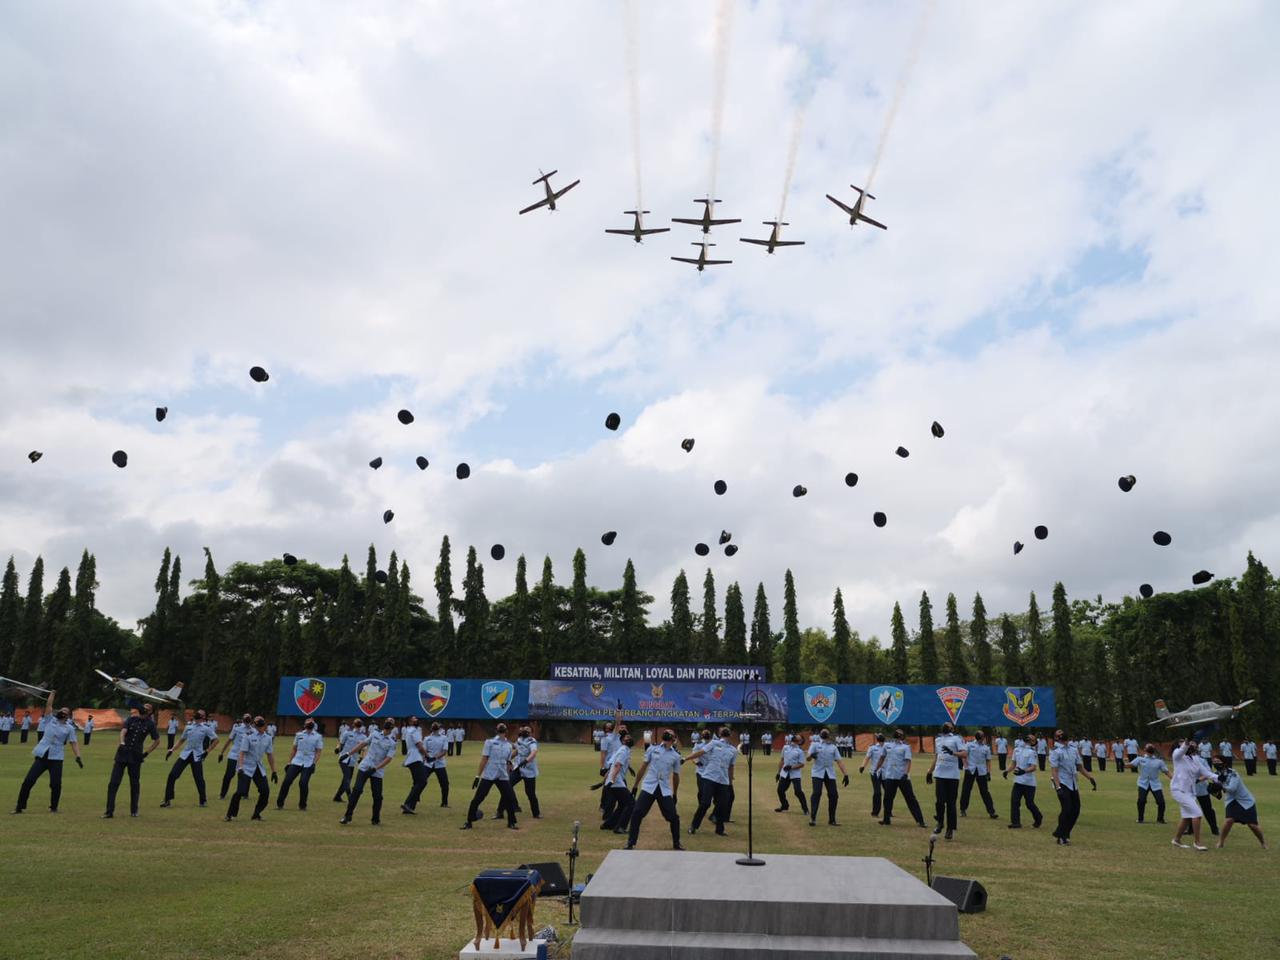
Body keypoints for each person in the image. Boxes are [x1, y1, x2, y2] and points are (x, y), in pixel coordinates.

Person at [13, 693, 82, 814]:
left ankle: (53, 807)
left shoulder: (69, 728)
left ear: (68, 716)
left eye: (65, 711)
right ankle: (19, 807)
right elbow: (49, 705)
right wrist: (52, 693)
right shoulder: (50, 719)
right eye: (61, 710)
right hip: (42, 756)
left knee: (56, 784)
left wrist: (78, 756)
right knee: (29, 781)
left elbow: (73, 742)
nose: (62, 712)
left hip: (56, 758)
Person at [625, 728, 684, 850]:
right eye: (667, 734)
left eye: (670, 735)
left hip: (664, 789)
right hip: (649, 786)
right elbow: (643, 767)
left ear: (674, 739)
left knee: (673, 817)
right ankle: (631, 842)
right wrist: (635, 785)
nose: (668, 736)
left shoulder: (676, 756)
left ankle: (677, 843)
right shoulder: (653, 749)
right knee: (637, 813)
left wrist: (675, 793)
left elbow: (676, 775)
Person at [103, 703, 161, 818]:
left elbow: (157, 741)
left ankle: (134, 810)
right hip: (122, 754)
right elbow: (123, 731)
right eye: (144, 707)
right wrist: (122, 742)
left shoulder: (150, 724)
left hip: (136, 756)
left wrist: (146, 753)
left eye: (147, 708)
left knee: (134, 784)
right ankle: (109, 811)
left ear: (150, 712)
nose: (144, 709)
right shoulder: (131, 719)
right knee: (113, 782)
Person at [460, 723, 519, 831]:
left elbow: (508, 761)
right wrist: (478, 776)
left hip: (502, 775)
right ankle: (469, 821)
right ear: (496, 730)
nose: (501, 729)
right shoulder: (489, 742)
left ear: (506, 731)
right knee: (478, 798)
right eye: (500, 727)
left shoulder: (508, 745)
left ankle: (511, 822)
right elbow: (484, 759)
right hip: (489, 774)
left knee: (509, 798)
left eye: (503, 728)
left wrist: (508, 773)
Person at [339, 718, 396, 825]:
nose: (387, 725)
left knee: (377, 796)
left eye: (390, 724)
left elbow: (388, 759)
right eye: (387, 723)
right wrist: (348, 754)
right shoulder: (375, 734)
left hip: (377, 770)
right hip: (365, 766)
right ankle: (347, 816)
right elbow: (362, 744)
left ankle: (375, 819)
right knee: (356, 790)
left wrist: (375, 769)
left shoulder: (392, 742)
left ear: (392, 728)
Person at [224, 715, 278, 822]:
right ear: (255, 726)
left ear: (265, 725)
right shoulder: (248, 736)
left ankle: (256, 814)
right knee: (240, 791)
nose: (261, 728)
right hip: (246, 766)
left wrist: (274, 771)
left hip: (258, 767)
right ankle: (230, 814)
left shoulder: (268, 738)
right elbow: (242, 753)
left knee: (265, 791)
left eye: (262, 725)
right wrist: (240, 767)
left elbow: (270, 755)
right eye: (259, 725)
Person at [161, 709, 219, 808]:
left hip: (197, 755)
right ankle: (167, 800)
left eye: (200, 714)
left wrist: (207, 752)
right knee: (172, 775)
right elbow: (181, 740)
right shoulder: (188, 727)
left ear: (203, 717)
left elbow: (216, 740)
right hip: (185, 754)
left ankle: (203, 801)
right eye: (197, 713)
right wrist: (172, 750)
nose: (197, 714)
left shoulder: (206, 728)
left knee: (199, 778)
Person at [1049, 729, 1096, 846]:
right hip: (1062, 783)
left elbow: (1080, 767)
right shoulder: (1055, 751)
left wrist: (1090, 778)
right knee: (1067, 809)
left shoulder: (1073, 749)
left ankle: (1063, 833)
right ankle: (1061, 836)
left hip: (1073, 783)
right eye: (1060, 735)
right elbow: (1054, 771)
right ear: (1057, 739)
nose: (1064, 738)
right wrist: (1058, 787)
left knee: (1076, 810)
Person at [684, 726, 734, 836]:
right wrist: (686, 758)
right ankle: (693, 826)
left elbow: (731, 767)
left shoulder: (733, 750)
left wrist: (730, 783)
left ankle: (719, 829)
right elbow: (700, 752)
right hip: (710, 777)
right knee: (705, 803)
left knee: (722, 805)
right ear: (720, 735)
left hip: (723, 780)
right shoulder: (714, 743)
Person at [875, 728, 928, 828]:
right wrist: (876, 769)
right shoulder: (887, 745)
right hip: (890, 776)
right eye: (897, 732)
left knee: (911, 799)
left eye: (900, 733)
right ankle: (886, 819)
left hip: (902, 777)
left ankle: (920, 821)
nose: (898, 734)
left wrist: (906, 774)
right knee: (887, 799)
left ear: (903, 736)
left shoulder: (906, 747)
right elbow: (882, 757)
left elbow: (908, 761)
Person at [1170, 737, 1214, 850]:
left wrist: (1219, 778)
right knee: (1197, 814)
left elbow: (1206, 772)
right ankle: (1197, 843)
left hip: (1190, 791)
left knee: (1186, 817)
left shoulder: (1195, 758)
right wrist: (1186, 742)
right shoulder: (1177, 755)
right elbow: (1182, 749)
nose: (1191, 745)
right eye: (1186, 744)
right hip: (1179, 790)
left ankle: (1176, 840)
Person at [1212, 760, 1267, 849]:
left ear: (1224, 762)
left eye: (1218, 761)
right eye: (1214, 762)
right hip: (1231, 800)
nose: (1216, 763)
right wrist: (1214, 791)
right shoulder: (1216, 775)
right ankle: (1221, 842)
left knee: (1252, 825)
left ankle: (1263, 843)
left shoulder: (1233, 773)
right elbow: (1218, 790)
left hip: (1245, 800)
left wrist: (1221, 787)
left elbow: (1232, 789)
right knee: (1229, 820)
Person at [927, 723, 966, 840]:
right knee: (939, 801)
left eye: (948, 725)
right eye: (944, 725)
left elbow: (964, 754)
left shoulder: (957, 739)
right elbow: (936, 757)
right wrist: (929, 772)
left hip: (952, 775)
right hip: (939, 774)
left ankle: (950, 829)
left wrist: (952, 752)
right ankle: (940, 822)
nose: (945, 726)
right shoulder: (938, 740)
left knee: (951, 803)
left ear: (952, 729)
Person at [276, 717, 323, 810]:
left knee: (303, 783)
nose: (309, 724)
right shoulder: (299, 735)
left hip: (308, 762)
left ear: (314, 725)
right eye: (308, 723)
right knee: (287, 781)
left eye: (311, 723)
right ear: (304, 725)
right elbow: (294, 749)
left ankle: (302, 805)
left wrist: (314, 763)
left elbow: (318, 752)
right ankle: (280, 804)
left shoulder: (318, 737)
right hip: (297, 761)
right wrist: (289, 762)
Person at [807, 729, 850, 827]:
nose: (824, 733)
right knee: (816, 793)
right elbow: (807, 758)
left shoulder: (833, 747)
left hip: (829, 773)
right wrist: (811, 756)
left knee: (834, 795)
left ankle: (832, 819)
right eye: (823, 732)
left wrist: (846, 774)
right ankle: (813, 818)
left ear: (828, 735)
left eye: (826, 732)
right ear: (820, 734)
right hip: (817, 773)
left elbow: (839, 761)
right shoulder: (815, 745)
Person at [501, 726, 541, 820]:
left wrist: (526, 761)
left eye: (528, 730)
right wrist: (508, 759)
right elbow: (517, 751)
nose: (525, 730)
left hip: (529, 770)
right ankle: (512, 807)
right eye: (524, 729)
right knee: (507, 786)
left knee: (530, 793)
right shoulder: (519, 739)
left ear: (531, 733)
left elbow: (533, 753)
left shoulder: (532, 741)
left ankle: (536, 813)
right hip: (518, 769)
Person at [599, 733, 635, 833]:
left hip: (614, 781)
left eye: (630, 737)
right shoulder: (623, 750)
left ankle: (608, 824)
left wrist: (606, 780)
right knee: (631, 803)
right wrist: (612, 779)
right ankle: (620, 827)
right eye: (627, 738)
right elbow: (617, 765)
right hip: (616, 782)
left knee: (622, 804)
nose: (629, 739)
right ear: (622, 741)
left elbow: (612, 765)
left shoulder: (623, 750)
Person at [1006, 733, 1043, 829]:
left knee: (1029, 803)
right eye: (1028, 737)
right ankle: (1016, 823)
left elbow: (1033, 767)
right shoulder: (1016, 750)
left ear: (1033, 742)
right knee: (1014, 801)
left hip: (1029, 782)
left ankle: (1038, 817)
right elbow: (1013, 764)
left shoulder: (1032, 752)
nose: (1028, 738)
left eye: (1031, 738)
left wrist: (1023, 771)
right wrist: (1007, 771)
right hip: (1018, 781)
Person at [959, 731, 998, 820]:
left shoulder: (986, 748)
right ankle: (963, 809)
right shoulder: (969, 745)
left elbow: (988, 761)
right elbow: (964, 757)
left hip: (982, 771)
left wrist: (988, 772)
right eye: (981, 737)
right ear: (979, 738)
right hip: (970, 770)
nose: (982, 738)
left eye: (983, 736)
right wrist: (966, 767)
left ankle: (991, 812)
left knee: (985, 792)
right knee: (966, 790)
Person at [1128, 743, 1169, 825]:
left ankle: (1160, 819)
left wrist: (1174, 779)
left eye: (1151, 747)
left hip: (1155, 784)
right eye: (1148, 747)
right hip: (1143, 783)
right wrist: (1123, 764)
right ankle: (1140, 819)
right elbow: (1131, 765)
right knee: (1141, 801)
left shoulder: (1159, 762)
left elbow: (1166, 772)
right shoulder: (1140, 759)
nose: (1149, 748)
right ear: (1145, 750)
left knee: (1161, 802)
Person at [398, 717, 429, 815]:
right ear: (410, 721)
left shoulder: (408, 730)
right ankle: (407, 803)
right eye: (414, 719)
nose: (416, 719)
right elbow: (419, 745)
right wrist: (427, 755)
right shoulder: (414, 731)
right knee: (422, 781)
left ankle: (410, 806)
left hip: (411, 758)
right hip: (415, 758)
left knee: (417, 782)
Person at [218, 714, 251, 800]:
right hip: (234, 755)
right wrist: (221, 753)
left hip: (245, 756)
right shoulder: (237, 728)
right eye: (246, 719)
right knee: (229, 774)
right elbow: (229, 740)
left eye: (248, 719)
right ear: (243, 720)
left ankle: (245, 793)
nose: (247, 721)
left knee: (245, 775)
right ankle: (222, 794)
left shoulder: (252, 730)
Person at [333, 719, 367, 803]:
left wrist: (361, 758)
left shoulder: (363, 737)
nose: (358, 725)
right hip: (343, 758)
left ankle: (337, 797)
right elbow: (341, 743)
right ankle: (350, 797)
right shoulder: (347, 733)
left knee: (346, 779)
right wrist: (337, 748)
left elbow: (364, 749)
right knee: (347, 778)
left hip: (353, 760)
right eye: (356, 723)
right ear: (353, 725)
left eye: (359, 724)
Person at [776, 732, 810, 815]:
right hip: (785, 773)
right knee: (780, 790)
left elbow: (802, 764)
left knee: (798, 792)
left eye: (798, 737)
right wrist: (778, 773)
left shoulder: (800, 751)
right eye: (795, 736)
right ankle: (784, 805)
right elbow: (782, 760)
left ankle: (805, 809)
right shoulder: (785, 747)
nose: (795, 736)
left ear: (800, 741)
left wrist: (791, 767)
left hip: (795, 774)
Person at [858, 733, 885, 819]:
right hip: (874, 772)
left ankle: (888, 811)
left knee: (889, 792)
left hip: (885, 773)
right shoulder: (873, 748)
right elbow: (867, 758)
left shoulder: (887, 747)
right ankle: (875, 812)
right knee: (877, 792)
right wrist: (863, 766)